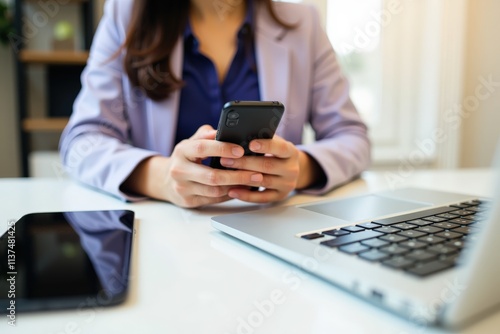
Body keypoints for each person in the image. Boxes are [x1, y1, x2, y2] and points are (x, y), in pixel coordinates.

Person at [59, 0, 371, 208]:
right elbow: (81, 142)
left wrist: (300, 169)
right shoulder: (125, 14)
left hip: (270, 229)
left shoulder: (303, 23)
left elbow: (353, 138)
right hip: (166, 234)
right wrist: (162, 177)